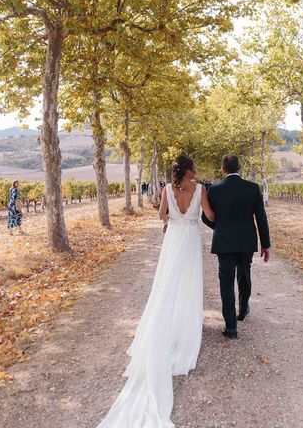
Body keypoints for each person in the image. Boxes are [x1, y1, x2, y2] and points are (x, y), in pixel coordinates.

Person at [97, 155, 214, 428]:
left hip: (174, 238)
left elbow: (162, 215)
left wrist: (171, 212)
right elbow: (209, 215)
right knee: (188, 284)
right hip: (190, 239)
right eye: (194, 167)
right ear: (188, 170)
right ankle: (186, 330)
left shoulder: (166, 191)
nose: (196, 170)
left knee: (167, 284)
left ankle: (167, 326)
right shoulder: (200, 190)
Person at [202, 154, 271, 339]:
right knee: (244, 274)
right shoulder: (253, 188)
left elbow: (204, 217)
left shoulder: (214, 190)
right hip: (246, 241)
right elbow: (261, 218)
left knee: (226, 282)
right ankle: (243, 307)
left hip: (224, 242)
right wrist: (266, 245)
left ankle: (231, 327)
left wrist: (220, 228)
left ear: (223, 169)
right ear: (239, 168)